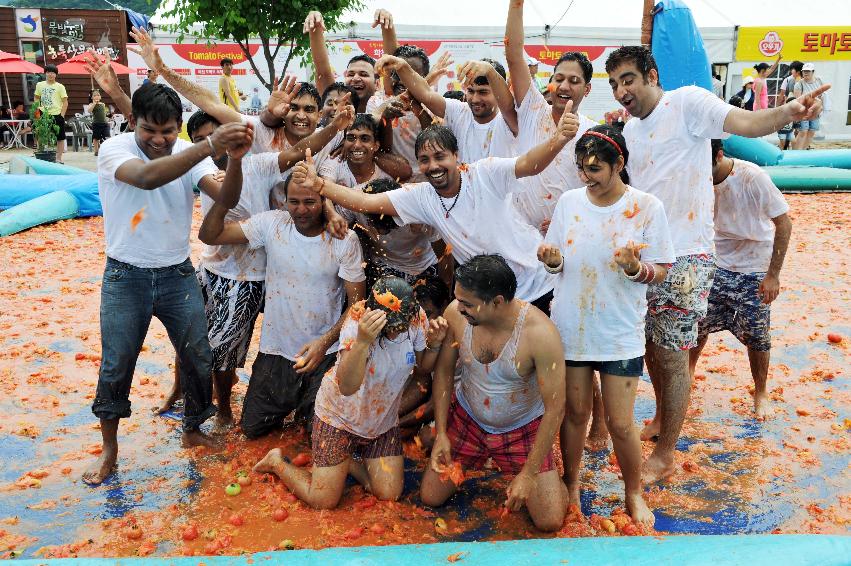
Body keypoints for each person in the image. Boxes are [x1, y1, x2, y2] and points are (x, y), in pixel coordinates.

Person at [604, 45, 826, 482]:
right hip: (645, 257)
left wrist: (788, 113)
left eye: (627, 79)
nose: (620, 90)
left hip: (688, 254)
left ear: (651, 74)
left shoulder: (686, 102)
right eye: (613, 84)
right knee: (651, 348)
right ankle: (662, 422)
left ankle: (666, 453)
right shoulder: (629, 129)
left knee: (673, 355)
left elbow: (743, 122)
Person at [82, 82, 253, 486]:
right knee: (116, 363)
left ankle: (192, 428)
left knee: (198, 357)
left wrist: (236, 160)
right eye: (149, 130)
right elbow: (145, 178)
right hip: (126, 275)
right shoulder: (115, 150)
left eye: (168, 131)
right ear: (132, 123)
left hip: (177, 274)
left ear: (179, 126)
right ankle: (109, 447)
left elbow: (226, 197)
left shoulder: (190, 154)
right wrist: (208, 146)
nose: (158, 140)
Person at [291, 115, 582, 312]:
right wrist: (319, 185)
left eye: (440, 157)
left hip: (540, 283)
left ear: (456, 156)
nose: (433, 166)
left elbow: (531, 164)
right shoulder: (422, 196)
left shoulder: (485, 173)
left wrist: (560, 138)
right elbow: (365, 202)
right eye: (425, 160)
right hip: (492, 299)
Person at [537, 125, 675, 528]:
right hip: (573, 327)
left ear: (620, 164)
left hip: (618, 330)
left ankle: (633, 491)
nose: (587, 176)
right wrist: (550, 259)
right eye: (582, 168)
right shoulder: (568, 203)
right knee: (576, 414)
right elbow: (560, 260)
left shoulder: (647, 207)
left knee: (619, 422)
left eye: (596, 168)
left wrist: (636, 268)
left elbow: (662, 270)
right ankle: (573, 482)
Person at [199, 168, 367, 439]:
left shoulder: (344, 240)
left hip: (324, 356)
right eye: (294, 202)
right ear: (284, 201)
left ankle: (308, 409)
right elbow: (210, 235)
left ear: (324, 201)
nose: (301, 210)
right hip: (275, 351)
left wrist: (323, 342)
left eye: (310, 202)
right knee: (253, 429)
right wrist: (225, 198)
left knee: (319, 436)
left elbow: (357, 306)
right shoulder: (272, 224)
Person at [254, 277, 448, 509]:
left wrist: (434, 344)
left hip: (381, 423)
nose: (397, 333)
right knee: (323, 501)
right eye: (391, 328)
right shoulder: (356, 321)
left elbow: (422, 370)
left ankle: (344, 462)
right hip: (339, 418)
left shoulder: (415, 318)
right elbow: (347, 386)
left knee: (389, 493)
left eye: (401, 327)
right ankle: (276, 462)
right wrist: (363, 342)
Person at [419, 255, 567, 532]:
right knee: (430, 496)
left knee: (550, 521)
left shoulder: (540, 334)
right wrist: (441, 432)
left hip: (522, 427)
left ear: (497, 302)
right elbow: (443, 374)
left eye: (468, 304)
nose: (458, 308)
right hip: (469, 419)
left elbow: (556, 408)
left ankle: (551, 474)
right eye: (457, 299)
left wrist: (529, 474)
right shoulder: (456, 313)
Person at [690, 140, 792, 420]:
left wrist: (773, 275)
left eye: (703, 167)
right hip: (715, 260)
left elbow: (784, 223)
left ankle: (761, 391)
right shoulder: (696, 178)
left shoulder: (752, 177)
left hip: (754, 263)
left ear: (719, 156)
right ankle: (688, 375)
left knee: (758, 336)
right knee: (697, 324)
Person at [504, 1, 597, 233]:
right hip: (521, 235)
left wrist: (569, 220)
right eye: (559, 79)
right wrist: (516, 4)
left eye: (574, 81)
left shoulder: (593, 133)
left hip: (570, 237)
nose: (564, 86)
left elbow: (600, 188)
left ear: (587, 89)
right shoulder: (532, 110)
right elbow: (514, 56)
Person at [375, 54, 517, 163]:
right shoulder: (460, 111)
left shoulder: (510, 119)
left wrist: (490, 71)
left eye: (483, 92)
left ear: (498, 92)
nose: (474, 99)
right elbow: (425, 93)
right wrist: (402, 66)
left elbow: (508, 105)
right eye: (471, 91)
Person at [303, 10, 390, 113]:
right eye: (351, 74)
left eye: (364, 74)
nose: (356, 78)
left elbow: (392, 63)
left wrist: (388, 26)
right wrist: (315, 26)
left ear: (377, 84)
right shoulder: (334, 104)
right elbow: (323, 73)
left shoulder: (386, 107)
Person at [34, 64, 68, 163]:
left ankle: (58, 158)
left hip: (57, 114)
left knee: (60, 137)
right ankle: (42, 156)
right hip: (43, 114)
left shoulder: (60, 86)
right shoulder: (39, 85)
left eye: (53, 72)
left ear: (56, 75)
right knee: (41, 135)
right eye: (48, 72)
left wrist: (62, 115)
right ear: (45, 73)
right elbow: (36, 98)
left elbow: (65, 102)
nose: (50, 74)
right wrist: (37, 113)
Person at [792, 63, 827, 150]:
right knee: (803, 131)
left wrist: (821, 107)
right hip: (804, 112)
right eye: (804, 71)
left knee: (812, 131)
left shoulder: (819, 81)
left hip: (815, 111)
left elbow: (822, 95)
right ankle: (796, 151)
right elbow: (798, 101)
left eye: (808, 71)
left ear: (813, 72)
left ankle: (803, 150)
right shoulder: (799, 84)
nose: (806, 73)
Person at [86, 89, 110, 156]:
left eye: (98, 95)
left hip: (105, 123)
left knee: (107, 136)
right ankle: (96, 151)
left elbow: (104, 113)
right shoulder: (91, 104)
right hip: (96, 123)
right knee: (96, 138)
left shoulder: (103, 104)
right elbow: (89, 111)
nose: (97, 96)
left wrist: (107, 118)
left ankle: (107, 150)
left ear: (100, 97)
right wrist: (94, 103)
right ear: (92, 97)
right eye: (95, 95)